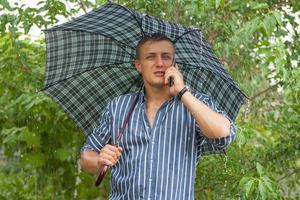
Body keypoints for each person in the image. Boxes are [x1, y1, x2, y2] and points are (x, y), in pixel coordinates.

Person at [80, 33, 236, 199]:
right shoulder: (118, 107)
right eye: (151, 57)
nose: (160, 63)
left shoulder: (195, 104)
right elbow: (85, 158)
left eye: (166, 57)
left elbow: (224, 134)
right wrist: (99, 160)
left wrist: (182, 92)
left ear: (174, 65)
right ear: (139, 65)